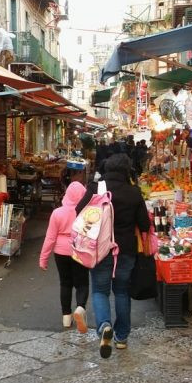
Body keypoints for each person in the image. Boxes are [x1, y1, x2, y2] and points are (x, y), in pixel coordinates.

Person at [75, 153, 150, 358]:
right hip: (126, 251)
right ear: (127, 170)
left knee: (100, 291)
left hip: (99, 249)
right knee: (122, 292)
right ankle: (122, 337)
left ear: (107, 168)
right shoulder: (134, 192)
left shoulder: (95, 188)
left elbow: (78, 211)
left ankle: (104, 326)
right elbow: (144, 224)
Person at [39, 181, 89, 333]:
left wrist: (43, 258)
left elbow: (50, 237)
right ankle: (80, 308)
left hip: (61, 252)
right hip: (80, 250)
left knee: (65, 283)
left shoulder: (57, 213)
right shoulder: (86, 212)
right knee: (82, 283)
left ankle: (66, 317)